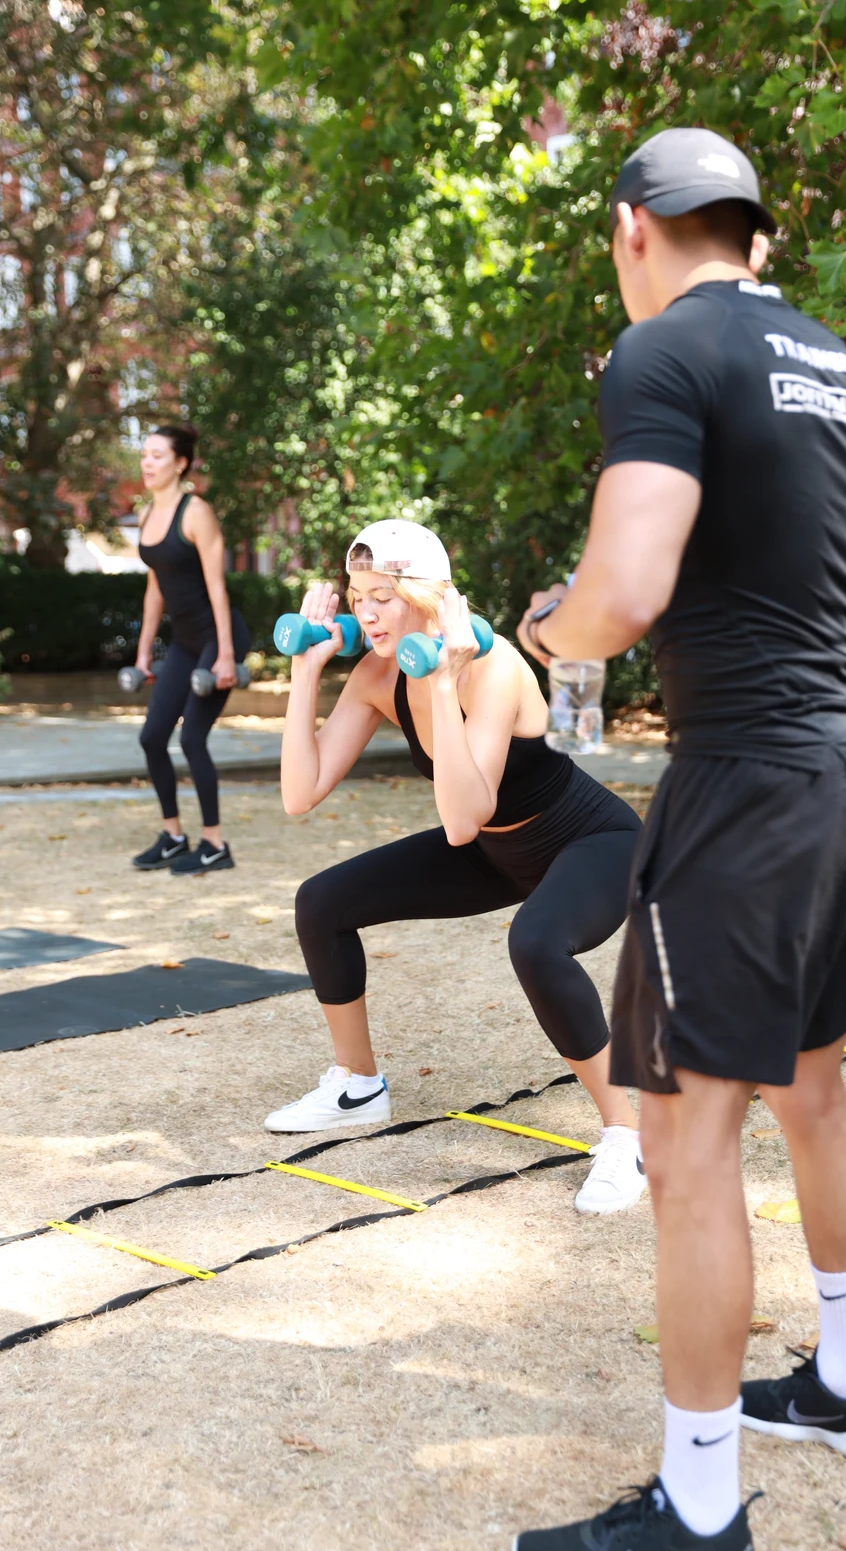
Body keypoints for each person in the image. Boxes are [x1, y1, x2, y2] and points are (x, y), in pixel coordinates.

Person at [513, 127, 846, 1548]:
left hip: (746, 787)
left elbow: (625, 591)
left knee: (685, 1141)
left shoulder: (660, 353)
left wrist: (548, 631)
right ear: (750, 231)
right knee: (809, 1086)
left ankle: (696, 1508)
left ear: (633, 227)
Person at [268, 518, 647, 1215]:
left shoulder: (495, 667)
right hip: (494, 852)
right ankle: (357, 1085)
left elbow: (463, 817)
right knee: (321, 902)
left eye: (383, 597)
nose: (367, 614)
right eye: (357, 598)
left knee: (536, 942)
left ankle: (626, 1134)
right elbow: (299, 794)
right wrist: (304, 672)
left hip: (592, 842)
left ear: (428, 599)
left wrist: (443, 685)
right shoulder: (377, 675)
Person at [130, 423, 249, 876]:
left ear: (180, 464)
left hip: (218, 639)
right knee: (151, 737)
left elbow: (218, 588)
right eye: (145, 454)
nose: (147, 462)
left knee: (192, 738)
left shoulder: (196, 512)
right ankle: (173, 837)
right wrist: (143, 654)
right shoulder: (147, 514)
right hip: (184, 644)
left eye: (157, 455)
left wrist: (225, 655)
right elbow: (154, 590)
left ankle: (214, 844)